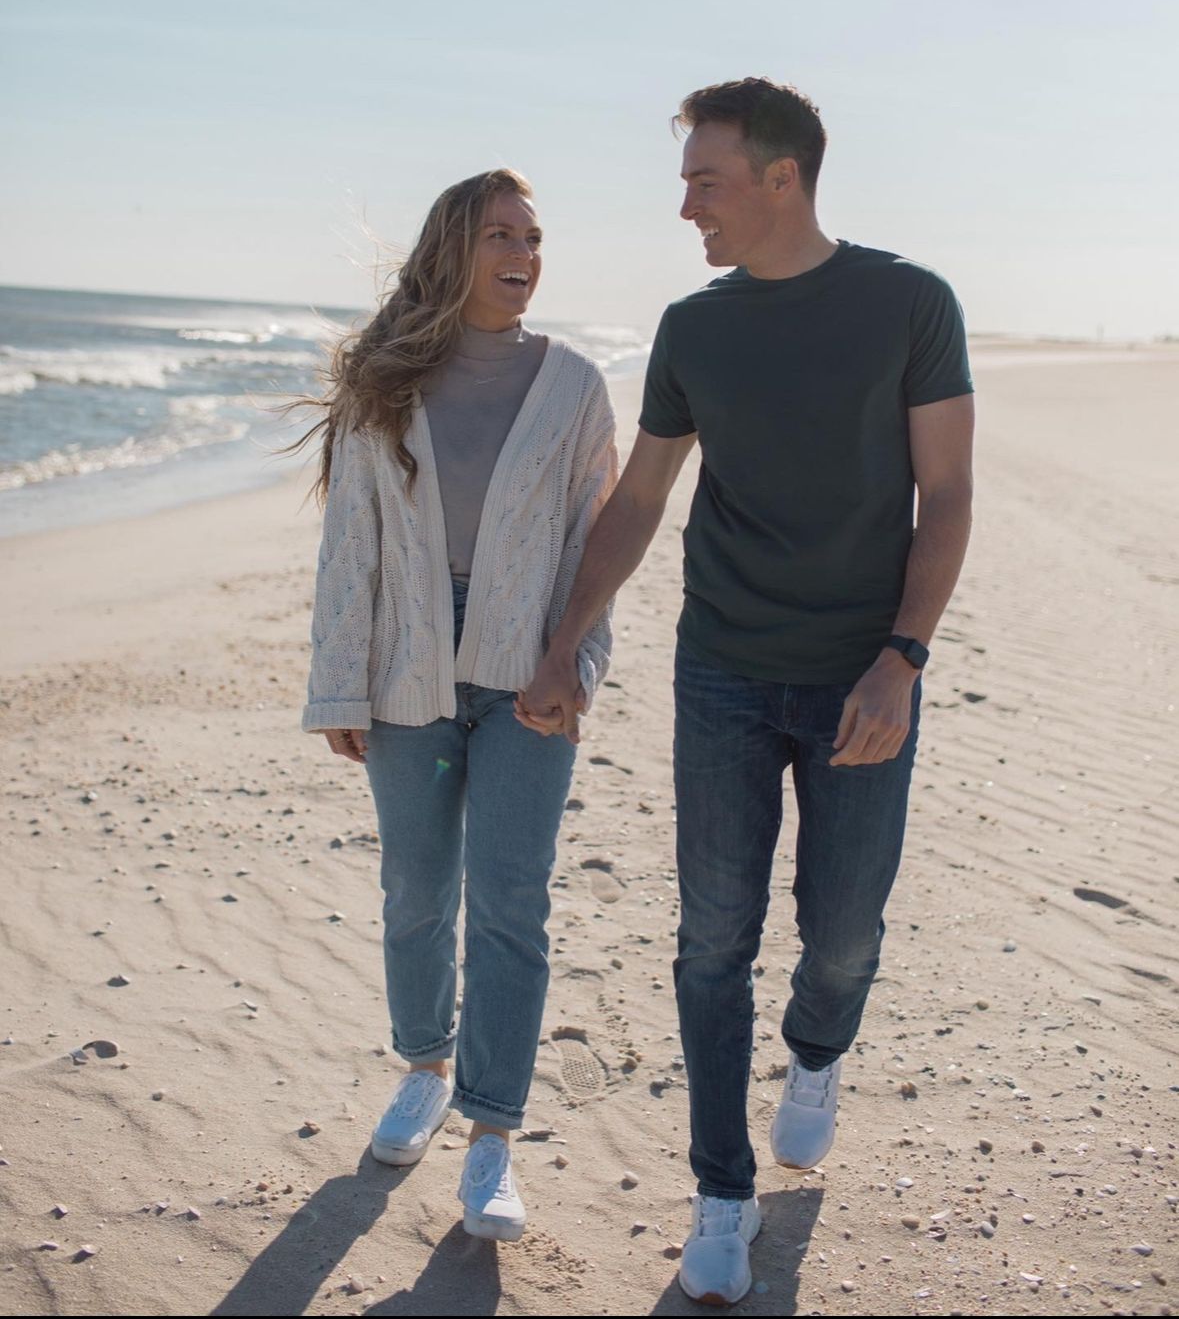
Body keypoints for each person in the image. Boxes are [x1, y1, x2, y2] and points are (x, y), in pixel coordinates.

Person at [518, 78, 974, 1302]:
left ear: (783, 177)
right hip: (720, 667)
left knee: (845, 932)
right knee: (712, 938)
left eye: (704, 181)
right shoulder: (693, 329)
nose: (686, 208)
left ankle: (816, 1052)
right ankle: (721, 1195)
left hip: (863, 672)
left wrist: (904, 658)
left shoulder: (910, 304)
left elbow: (948, 495)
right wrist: (564, 640)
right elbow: (640, 499)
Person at [298, 168, 617, 1241]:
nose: (523, 254)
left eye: (533, 236)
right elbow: (351, 537)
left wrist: (575, 664)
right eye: (500, 236)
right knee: (416, 891)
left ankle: (492, 1136)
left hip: (528, 668)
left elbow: (595, 543)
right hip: (406, 669)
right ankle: (424, 1069)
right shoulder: (384, 378)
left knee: (513, 901)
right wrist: (340, 680)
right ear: (453, 250)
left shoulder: (575, 387)